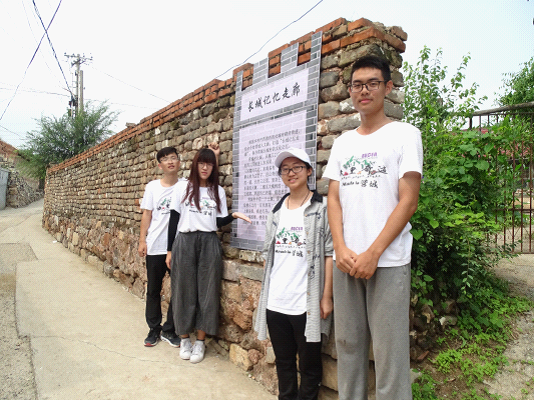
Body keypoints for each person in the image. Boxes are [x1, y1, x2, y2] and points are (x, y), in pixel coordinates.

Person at [323, 55, 423, 400]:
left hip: (388, 261)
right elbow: (333, 198)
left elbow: (408, 201)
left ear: (388, 87)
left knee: (389, 356)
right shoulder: (343, 143)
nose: (363, 91)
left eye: (372, 83)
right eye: (357, 85)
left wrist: (373, 253)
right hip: (346, 261)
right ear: (350, 90)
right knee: (348, 348)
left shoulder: (405, 135)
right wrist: (340, 248)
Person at [255, 147, 334, 400]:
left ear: (309, 171)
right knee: (284, 362)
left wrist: (326, 297)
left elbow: (329, 254)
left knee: (309, 365)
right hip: (276, 300)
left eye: (297, 167)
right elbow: (269, 253)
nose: (291, 173)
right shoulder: (276, 212)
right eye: (285, 169)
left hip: (305, 303)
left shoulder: (322, 209)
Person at [166, 146, 251, 364]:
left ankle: (200, 341)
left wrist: (233, 215)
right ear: (195, 165)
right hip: (184, 241)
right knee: (182, 290)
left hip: (209, 242)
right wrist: (169, 250)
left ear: (214, 167)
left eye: (210, 164)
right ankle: (184, 338)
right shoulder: (182, 187)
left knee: (208, 292)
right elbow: (173, 219)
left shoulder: (217, 191)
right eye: (202, 163)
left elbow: (218, 222)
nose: (205, 167)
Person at [138, 146, 181, 347]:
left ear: (179, 162)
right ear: (160, 165)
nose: (170, 161)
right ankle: (154, 328)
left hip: (178, 247)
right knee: (154, 290)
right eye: (165, 159)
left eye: (173, 157)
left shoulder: (186, 186)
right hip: (155, 246)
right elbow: (147, 214)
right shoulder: (152, 187)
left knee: (179, 291)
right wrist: (142, 240)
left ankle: (169, 329)